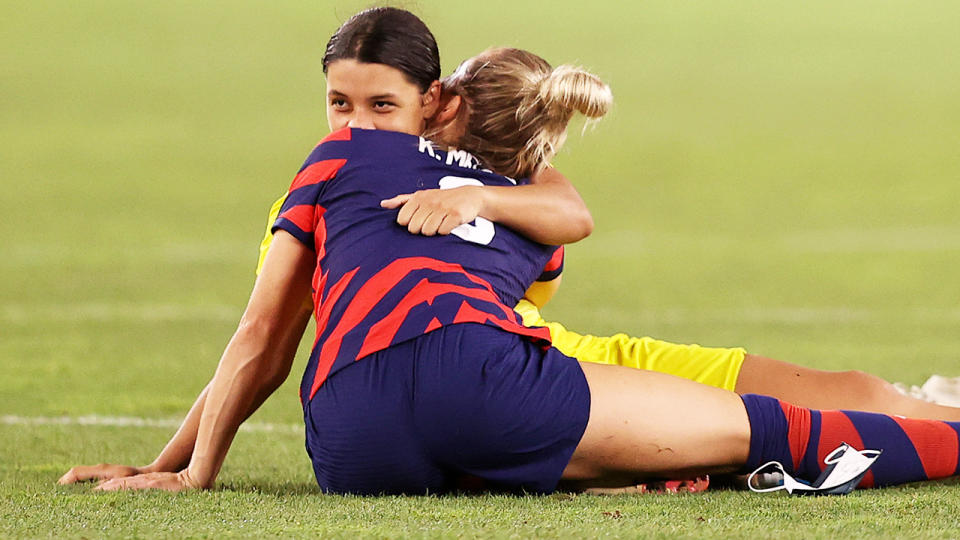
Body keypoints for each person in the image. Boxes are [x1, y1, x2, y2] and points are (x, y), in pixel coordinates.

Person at [61, 8, 960, 495]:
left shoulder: (340, 173)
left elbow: (264, 338)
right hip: (505, 377)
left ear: (434, 96)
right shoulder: (535, 208)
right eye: (345, 105)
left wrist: (181, 466)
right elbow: (568, 216)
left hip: (357, 429)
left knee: (629, 426)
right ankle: (938, 425)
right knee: (778, 420)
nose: (358, 124)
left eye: (380, 105)